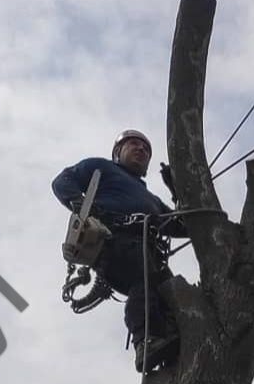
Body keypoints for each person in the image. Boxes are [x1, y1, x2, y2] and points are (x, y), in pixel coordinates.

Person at [52, 129, 185, 371]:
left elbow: (183, 225)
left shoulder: (152, 200)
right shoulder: (101, 168)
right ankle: (146, 340)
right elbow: (62, 181)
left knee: (172, 294)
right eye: (133, 144)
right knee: (141, 274)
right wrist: (80, 203)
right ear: (117, 153)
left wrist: (179, 191)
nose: (141, 150)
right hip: (113, 241)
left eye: (145, 149)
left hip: (148, 252)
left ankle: (173, 343)